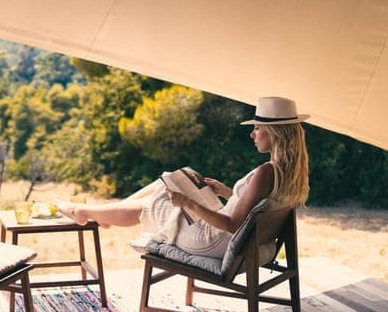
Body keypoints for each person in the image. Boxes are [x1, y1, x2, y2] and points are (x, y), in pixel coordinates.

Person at [56, 96, 309, 258]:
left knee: (155, 199)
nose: (252, 134)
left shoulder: (266, 171)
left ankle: (86, 211)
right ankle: (98, 212)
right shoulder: (287, 172)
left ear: (275, 133)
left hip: (212, 240)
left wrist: (189, 203)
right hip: (223, 235)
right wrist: (228, 192)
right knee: (176, 178)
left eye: (257, 128)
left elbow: (233, 225)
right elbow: (255, 209)